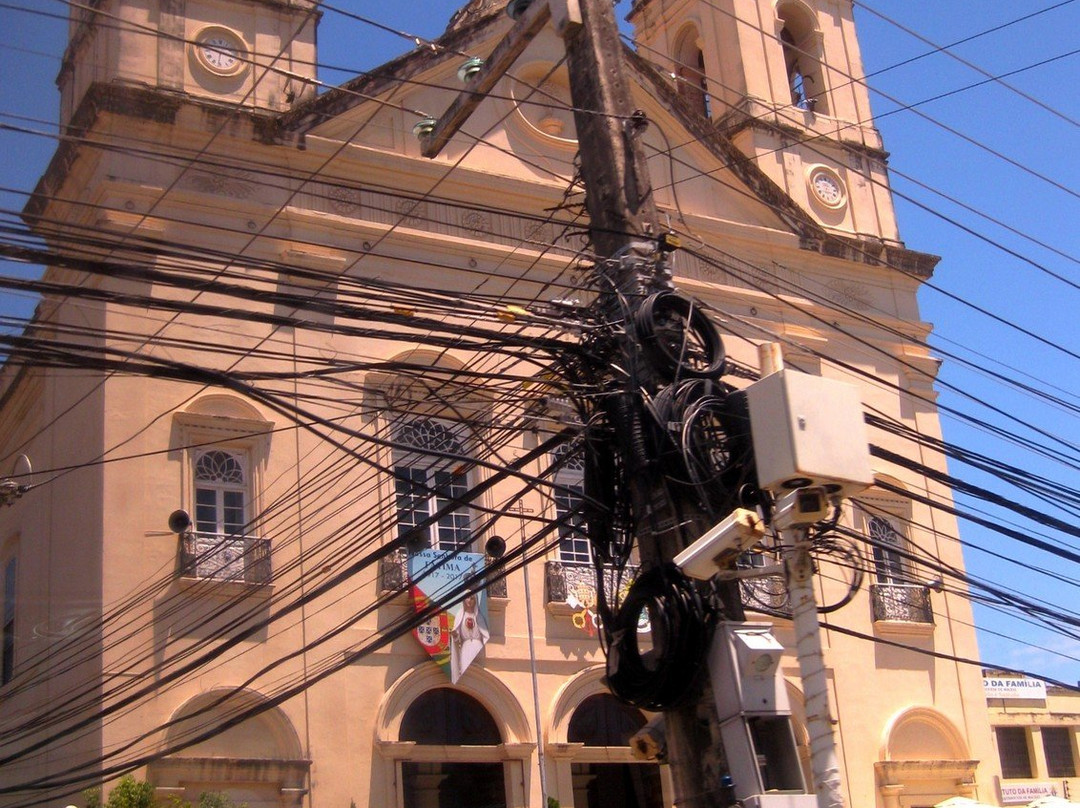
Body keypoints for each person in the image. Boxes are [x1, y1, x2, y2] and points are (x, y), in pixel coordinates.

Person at [449, 593, 489, 682]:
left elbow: (485, 634)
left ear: (475, 600)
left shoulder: (479, 616)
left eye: (472, 598)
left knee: (477, 675)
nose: (469, 601)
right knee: (464, 672)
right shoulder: (460, 615)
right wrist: (455, 635)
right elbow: (457, 634)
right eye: (467, 598)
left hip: (477, 646)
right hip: (466, 647)